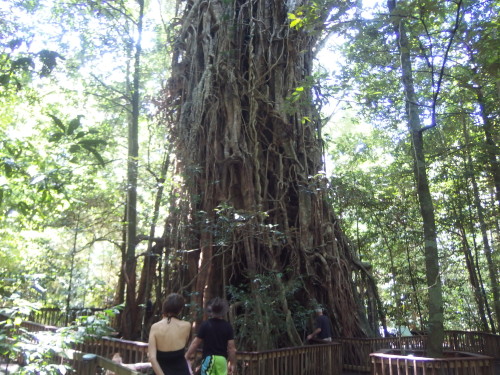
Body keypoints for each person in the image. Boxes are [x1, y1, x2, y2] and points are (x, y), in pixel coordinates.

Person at [185, 297, 236, 375]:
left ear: (211, 311)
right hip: (222, 360)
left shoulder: (205, 325)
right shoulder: (228, 326)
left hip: (209, 359)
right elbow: (231, 348)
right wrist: (232, 363)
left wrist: (187, 355)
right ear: (222, 312)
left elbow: (195, 343)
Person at [148, 293, 192, 375]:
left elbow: (152, 358)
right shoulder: (187, 326)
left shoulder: (155, 327)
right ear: (180, 309)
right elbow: (185, 342)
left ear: (164, 307)